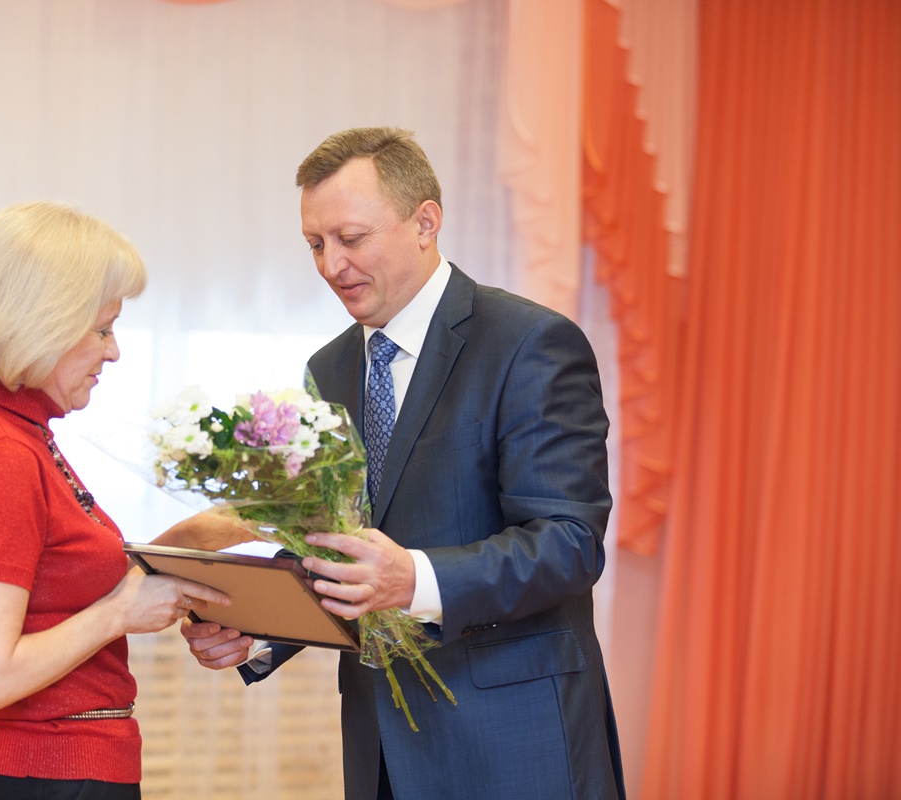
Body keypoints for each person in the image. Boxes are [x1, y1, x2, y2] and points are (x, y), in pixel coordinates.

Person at [182, 127, 626, 799]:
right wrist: (252, 624)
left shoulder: (530, 344)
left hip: (514, 742)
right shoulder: (330, 368)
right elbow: (330, 546)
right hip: (381, 749)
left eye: (351, 238)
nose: (331, 265)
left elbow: (569, 545)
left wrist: (413, 578)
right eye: (315, 244)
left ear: (425, 222)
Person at [0, 200, 248, 799]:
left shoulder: (18, 433)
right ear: (39, 323)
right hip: (40, 775)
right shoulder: (0, 452)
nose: (113, 351)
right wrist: (121, 613)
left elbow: (64, 582)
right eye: (102, 328)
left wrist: (208, 534)